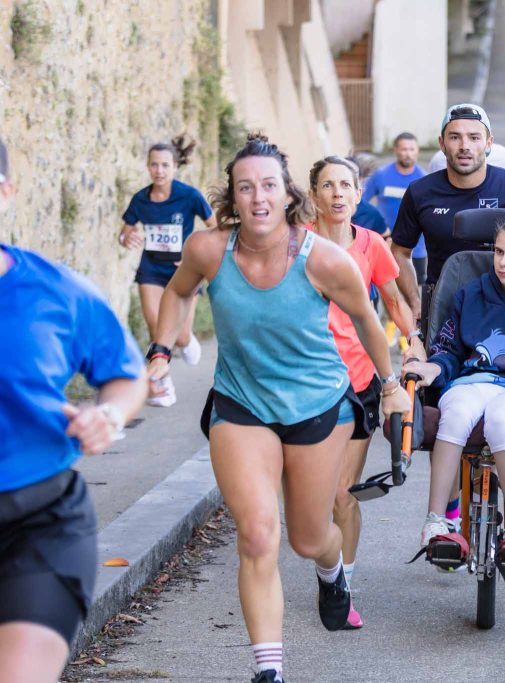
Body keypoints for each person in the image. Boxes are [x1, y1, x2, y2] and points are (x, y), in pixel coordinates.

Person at [146, 134, 410, 683]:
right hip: (241, 405)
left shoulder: (325, 259)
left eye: (268, 185)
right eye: (246, 187)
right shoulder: (208, 251)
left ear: (288, 195)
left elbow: (367, 319)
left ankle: (332, 571)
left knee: (309, 538)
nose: (258, 197)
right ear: (232, 197)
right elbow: (177, 291)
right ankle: (269, 670)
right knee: (257, 534)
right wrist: (161, 350)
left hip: (316, 407)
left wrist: (390, 385)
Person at [0, 137, 149, 683]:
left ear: (6, 191)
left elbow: (126, 375)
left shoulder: (53, 290)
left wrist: (107, 417)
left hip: (38, 523)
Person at [306, 156, 420, 629]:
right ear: (313, 195)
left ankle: (341, 585)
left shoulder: (372, 244)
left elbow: (393, 301)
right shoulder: (296, 245)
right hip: (304, 382)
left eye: (345, 185)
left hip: (357, 380)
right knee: (309, 501)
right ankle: (327, 566)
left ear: (358, 194)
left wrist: (412, 341)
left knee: (341, 493)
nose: (337, 193)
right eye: (327, 185)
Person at [403, 216, 505, 559]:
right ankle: (437, 522)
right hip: (471, 380)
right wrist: (431, 367)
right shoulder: (470, 293)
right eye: (499, 251)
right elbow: (448, 349)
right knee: (456, 412)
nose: (502, 261)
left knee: (501, 418)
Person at [390, 103, 505, 321]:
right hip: (444, 311)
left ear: (489, 143)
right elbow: (400, 252)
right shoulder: (420, 192)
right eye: (455, 137)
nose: (464, 146)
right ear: (442, 144)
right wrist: (415, 303)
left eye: (474, 137)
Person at [118, 135, 216, 407]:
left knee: (180, 335)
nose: (159, 171)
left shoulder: (189, 196)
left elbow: (215, 227)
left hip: (184, 272)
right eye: (154, 165)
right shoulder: (141, 199)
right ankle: (163, 385)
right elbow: (124, 234)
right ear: (148, 167)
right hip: (150, 269)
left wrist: (193, 255)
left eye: (164, 165)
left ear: (175, 167)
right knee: (156, 327)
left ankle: (187, 341)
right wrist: (127, 238)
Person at [364, 134, 429, 284]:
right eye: (404, 149)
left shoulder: (424, 179)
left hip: (415, 248)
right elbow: (360, 201)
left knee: (415, 291)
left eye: (412, 149)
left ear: (418, 151)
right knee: (385, 289)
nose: (408, 154)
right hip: (385, 244)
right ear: (395, 150)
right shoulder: (381, 175)